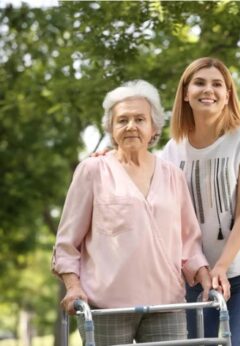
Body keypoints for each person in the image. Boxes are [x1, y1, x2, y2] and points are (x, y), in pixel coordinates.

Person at [51, 80, 219, 345]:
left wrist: (203, 274)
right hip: (106, 308)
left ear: (153, 128)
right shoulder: (93, 171)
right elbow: (67, 243)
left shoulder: (172, 175)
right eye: (122, 120)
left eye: (140, 119)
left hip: (167, 305)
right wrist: (73, 287)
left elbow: (189, 242)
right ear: (111, 128)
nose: (131, 126)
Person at [161, 57, 240, 346]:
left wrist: (222, 266)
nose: (207, 89)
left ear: (227, 96)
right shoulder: (173, 150)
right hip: (196, 278)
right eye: (199, 82)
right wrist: (110, 158)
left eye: (217, 84)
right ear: (185, 93)